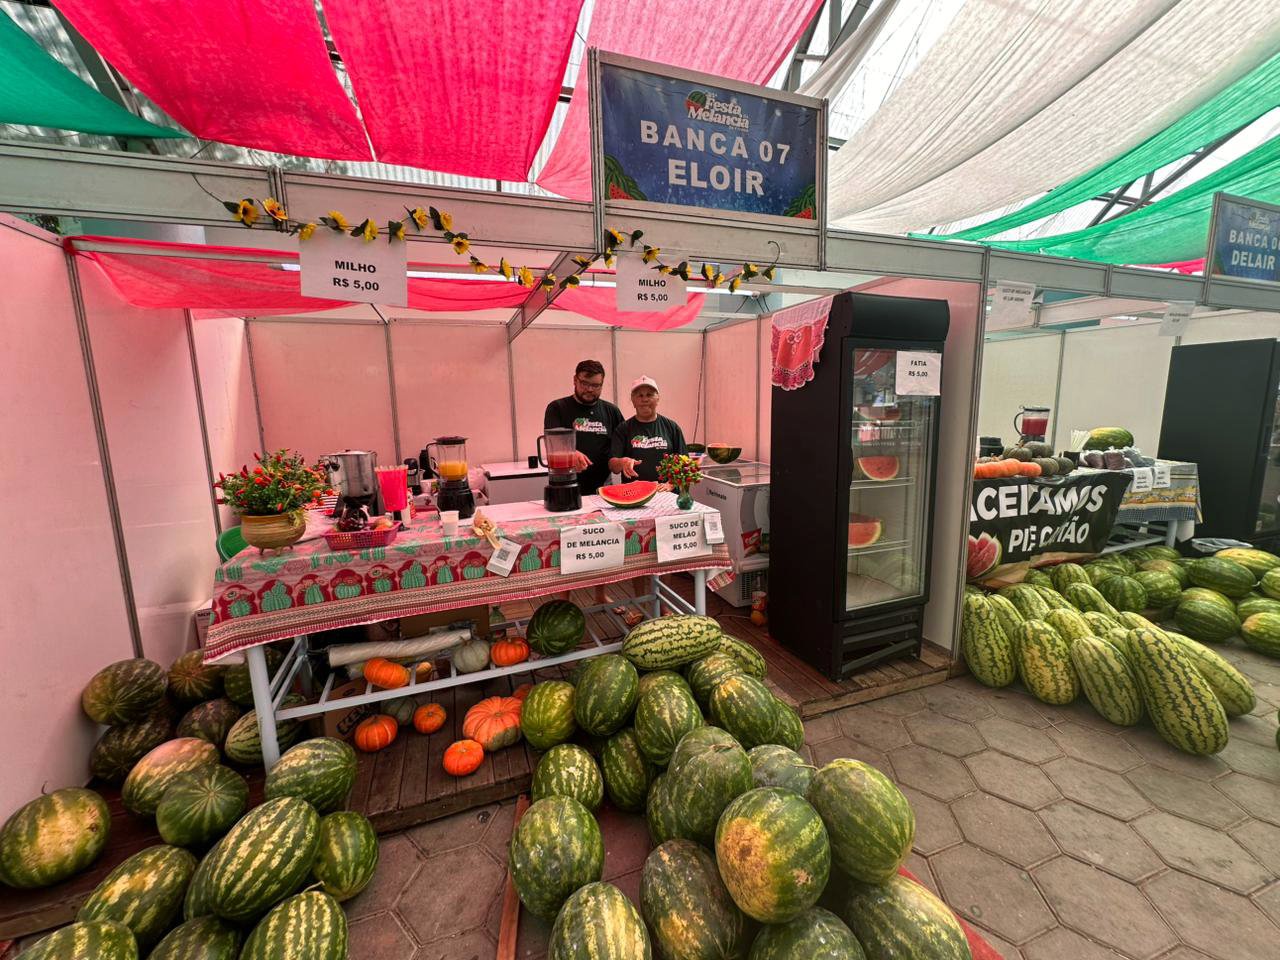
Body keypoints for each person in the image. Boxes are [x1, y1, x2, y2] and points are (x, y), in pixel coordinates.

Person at [543, 359, 623, 495]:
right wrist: (570, 453)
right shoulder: (557, 408)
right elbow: (552, 443)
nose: (590, 389)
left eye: (596, 385)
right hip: (565, 484)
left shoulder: (612, 411)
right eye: (585, 383)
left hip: (603, 486)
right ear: (575, 380)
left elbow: (622, 444)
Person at [609, 376, 687, 483]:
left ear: (658, 398)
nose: (644, 399)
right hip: (634, 491)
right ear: (633, 400)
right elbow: (612, 465)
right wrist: (622, 462)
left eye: (649, 395)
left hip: (667, 491)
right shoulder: (623, 429)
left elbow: (684, 463)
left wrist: (671, 484)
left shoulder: (672, 427)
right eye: (640, 395)